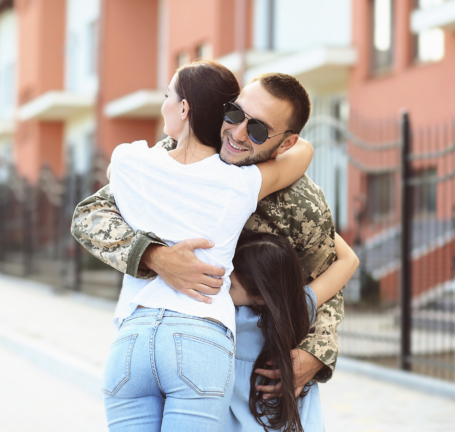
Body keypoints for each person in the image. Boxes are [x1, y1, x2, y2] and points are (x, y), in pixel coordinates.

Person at [72, 70, 344, 426]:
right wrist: (156, 257)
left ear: (286, 143)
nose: (238, 133)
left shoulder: (301, 201)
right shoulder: (174, 154)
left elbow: (328, 271)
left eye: (258, 130)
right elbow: (90, 216)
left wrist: (315, 352)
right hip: (198, 351)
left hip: (262, 373)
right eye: (233, 113)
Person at [228, 231, 358, 432]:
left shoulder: (232, 319)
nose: (223, 288)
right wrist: (318, 224)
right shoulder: (299, 308)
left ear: (260, 296)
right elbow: (349, 260)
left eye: (231, 286)